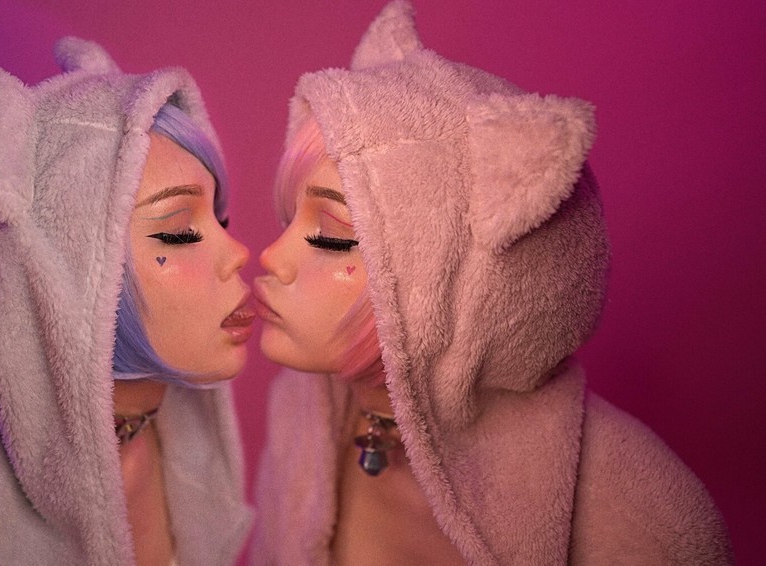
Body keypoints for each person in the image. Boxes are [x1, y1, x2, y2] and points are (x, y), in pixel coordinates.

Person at [252, 2, 731, 564]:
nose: (271, 257)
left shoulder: (640, 517)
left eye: (332, 236)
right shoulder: (301, 416)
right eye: (290, 218)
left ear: (457, 283)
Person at [0, 37, 252, 565]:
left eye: (220, 219)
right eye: (179, 232)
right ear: (60, 280)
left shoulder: (174, 456)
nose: (240, 253)